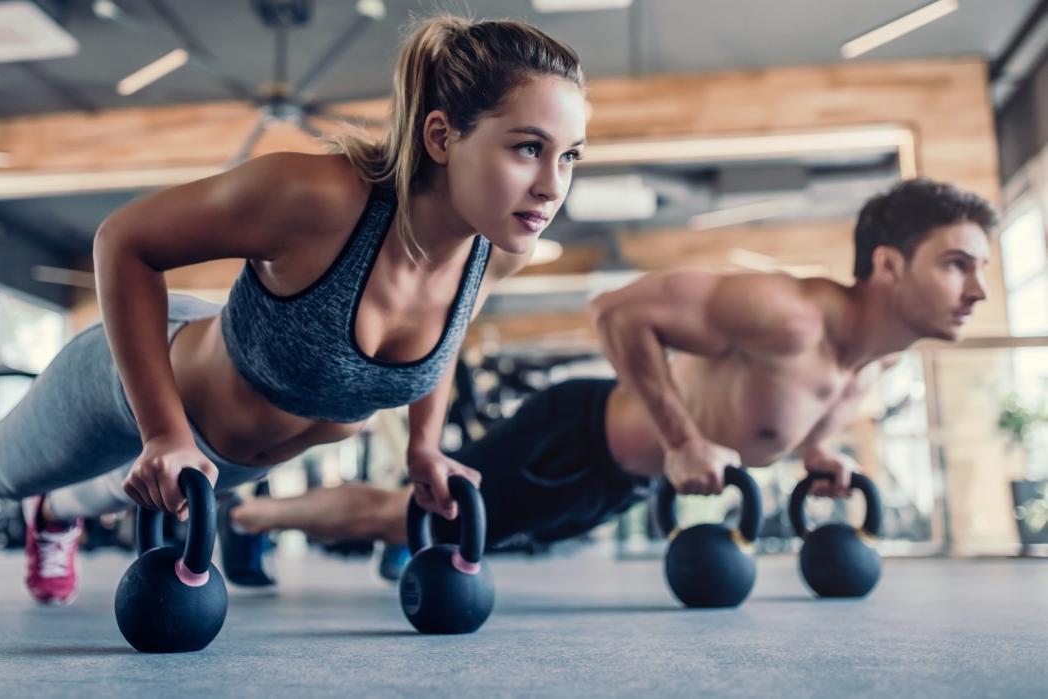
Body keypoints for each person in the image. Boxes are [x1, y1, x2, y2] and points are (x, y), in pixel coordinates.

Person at [0, 15, 589, 611]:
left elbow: (442, 342)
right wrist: (162, 430)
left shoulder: (496, 249)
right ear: (441, 136)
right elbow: (124, 241)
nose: (552, 185)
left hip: (212, 458)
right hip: (140, 380)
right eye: (529, 147)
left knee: (117, 486)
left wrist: (425, 445)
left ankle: (57, 516)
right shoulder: (317, 200)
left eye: (570, 156)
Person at [218, 178, 996, 583]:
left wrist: (821, 451)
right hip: (574, 440)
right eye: (957, 263)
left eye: (983, 269)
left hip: (612, 482)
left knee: (435, 528)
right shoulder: (787, 313)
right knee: (403, 518)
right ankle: (250, 517)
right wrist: (684, 437)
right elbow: (616, 310)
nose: (978, 290)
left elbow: (796, 405)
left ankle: (258, 517)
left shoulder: (874, 360)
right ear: (889, 266)